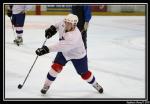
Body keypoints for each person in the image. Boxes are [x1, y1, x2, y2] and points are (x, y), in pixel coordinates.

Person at [35, 14, 104, 94]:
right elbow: (58, 24)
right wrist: (52, 28)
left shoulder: (74, 36)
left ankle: (95, 84)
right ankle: (46, 85)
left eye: (69, 23)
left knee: (84, 74)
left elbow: (60, 46)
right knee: (55, 67)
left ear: (74, 25)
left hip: (78, 55)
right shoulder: (64, 23)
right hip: (64, 52)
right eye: (66, 22)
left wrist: (46, 49)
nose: (66, 24)